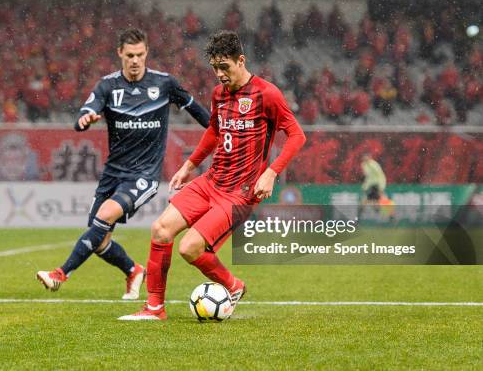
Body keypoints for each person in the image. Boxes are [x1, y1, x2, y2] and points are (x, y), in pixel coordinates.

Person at [119, 30, 306, 320]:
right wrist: (189, 166)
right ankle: (154, 308)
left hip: (239, 193)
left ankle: (232, 285)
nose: (219, 74)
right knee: (160, 230)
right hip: (212, 181)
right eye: (215, 68)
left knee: (189, 247)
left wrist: (271, 173)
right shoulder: (219, 94)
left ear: (241, 60)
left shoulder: (267, 94)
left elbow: (296, 136)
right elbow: (215, 132)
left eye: (225, 67)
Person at [36, 28, 210, 299]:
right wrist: (86, 118)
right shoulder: (108, 86)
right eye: (129, 55)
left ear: (146, 53)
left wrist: (223, 132)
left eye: (140, 55)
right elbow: (84, 113)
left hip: (144, 174)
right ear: (120, 53)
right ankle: (132, 270)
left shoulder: (164, 84)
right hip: (112, 174)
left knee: (103, 218)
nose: (135, 60)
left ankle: (60, 274)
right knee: (99, 238)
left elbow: (199, 112)